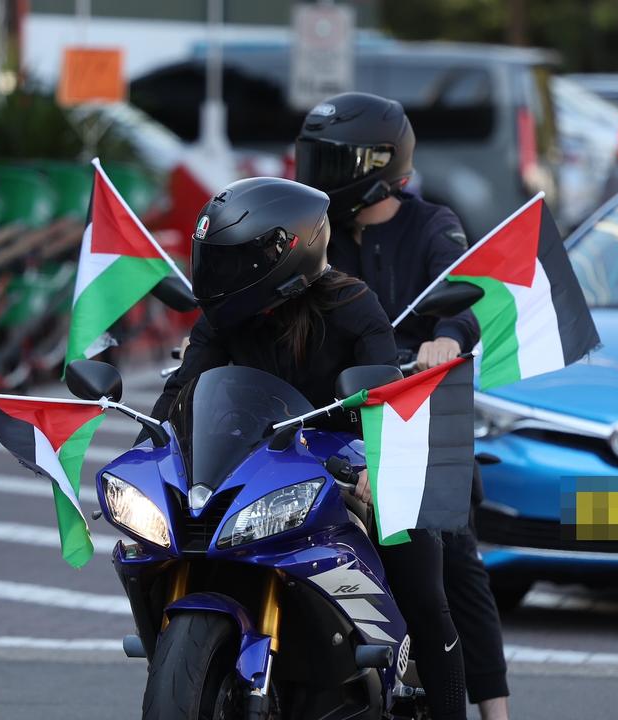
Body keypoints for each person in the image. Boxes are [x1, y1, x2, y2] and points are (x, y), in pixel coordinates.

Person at [153, 176, 469, 720]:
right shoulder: (222, 319)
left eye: (232, 260)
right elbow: (182, 389)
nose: (217, 274)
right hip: (252, 472)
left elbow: (388, 393)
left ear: (281, 255)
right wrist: (149, 442)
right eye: (213, 258)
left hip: (345, 470)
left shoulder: (352, 304)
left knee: (425, 594)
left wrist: (379, 457)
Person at [296, 92, 511, 720]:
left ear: (381, 164)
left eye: (332, 164)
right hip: (327, 411)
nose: (318, 179)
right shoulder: (316, 229)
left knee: (456, 558)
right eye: (314, 161)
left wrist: (449, 337)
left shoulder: (432, 223)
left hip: (416, 410)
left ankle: (494, 710)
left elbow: (466, 291)